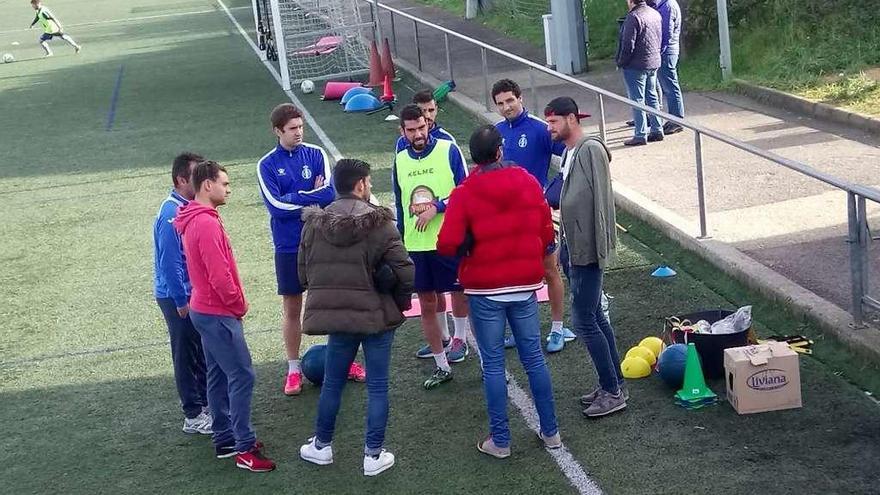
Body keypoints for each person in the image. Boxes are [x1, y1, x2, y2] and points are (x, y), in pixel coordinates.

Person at [437, 125, 561, 458]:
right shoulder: (527, 181)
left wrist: (467, 247)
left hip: (484, 289)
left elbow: (446, 243)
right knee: (534, 360)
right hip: (525, 284)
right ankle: (551, 433)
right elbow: (545, 228)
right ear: (500, 151)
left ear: (473, 157)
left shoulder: (464, 191)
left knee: (492, 366)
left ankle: (501, 441)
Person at [297, 158, 415, 477]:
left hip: (338, 320)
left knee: (332, 382)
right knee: (378, 386)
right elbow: (405, 271)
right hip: (377, 317)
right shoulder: (380, 223)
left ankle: (322, 446)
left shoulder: (314, 224)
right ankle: (373, 455)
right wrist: (399, 303)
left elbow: (303, 273)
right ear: (361, 184)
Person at [257, 103, 366, 396]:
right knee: (293, 308)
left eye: (300, 127)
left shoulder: (316, 154)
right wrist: (309, 197)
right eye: (292, 129)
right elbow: (275, 207)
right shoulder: (266, 164)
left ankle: (345, 362)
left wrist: (296, 197)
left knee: (331, 303)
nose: (298, 133)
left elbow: (329, 193)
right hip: (288, 246)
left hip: (321, 240)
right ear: (277, 131)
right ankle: (293, 371)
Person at [174, 161, 275, 472]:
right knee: (242, 375)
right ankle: (244, 447)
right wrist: (238, 305)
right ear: (208, 186)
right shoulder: (206, 223)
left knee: (218, 374)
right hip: (217, 312)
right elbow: (220, 277)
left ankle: (225, 439)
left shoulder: (193, 219)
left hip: (203, 310)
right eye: (225, 184)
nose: (229, 189)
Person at [545, 97, 627, 418]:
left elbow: (598, 205)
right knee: (595, 316)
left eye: (553, 122)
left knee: (583, 320)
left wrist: (590, 251)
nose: (549, 128)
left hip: (586, 250)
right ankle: (615, 382)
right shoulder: (570, 152)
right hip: (574, 247)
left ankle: (612, 391)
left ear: (571, 119)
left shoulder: (590, 150)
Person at [492, 78, 574, 353]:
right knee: (514, 275)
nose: (507, 107)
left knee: (550, 271)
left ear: (520, 98)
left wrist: (557, 187)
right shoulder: (496, 132)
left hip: (536, 216)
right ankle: (520, 330)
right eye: (501, 103)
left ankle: (558, 328)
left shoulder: (540, 129)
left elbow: (572, 152)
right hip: (506, 219)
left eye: (510, 101)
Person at [391, 104, 469, 389]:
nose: (418, 134)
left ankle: (460, 337)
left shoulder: (448, 150)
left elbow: (465, 191)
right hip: (417, 244)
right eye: (411, 130)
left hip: (449, 239)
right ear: (403, 132)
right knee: (427, 300)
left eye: (422, 127)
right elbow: (400, 204)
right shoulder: (399, 159)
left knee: (459, 290)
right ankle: (441, 359)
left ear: (429, 124)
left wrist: (436, 207)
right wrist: (399, 241)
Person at [153, 152, 211, 436]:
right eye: (196, 176)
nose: (203, 181)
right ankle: (193, 414)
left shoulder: (187, 207)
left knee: (198, 351)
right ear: (180, 180)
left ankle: (204, 405)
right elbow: (170, 263)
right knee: (185, 354)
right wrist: (181, 301)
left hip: (191, 293)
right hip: (178, 297)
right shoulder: (170, 213)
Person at [616, 0, 663, 146]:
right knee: (652, 97)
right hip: (653, 62)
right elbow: (659, 37)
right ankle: (657, 128)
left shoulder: (633, 17)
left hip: (636, 65)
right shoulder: (655, 14)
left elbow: (628, 44)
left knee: (637, 100)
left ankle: (640, 134)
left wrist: (621, 62)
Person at [649, 0, 685, 135]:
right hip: (668, 50)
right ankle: (674, 119)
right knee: (669, 85)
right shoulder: (666, 5)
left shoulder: (667, 6)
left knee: (670, 86)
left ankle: (677, 120)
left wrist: (659, 51)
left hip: (667, 52)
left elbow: (665, 33)